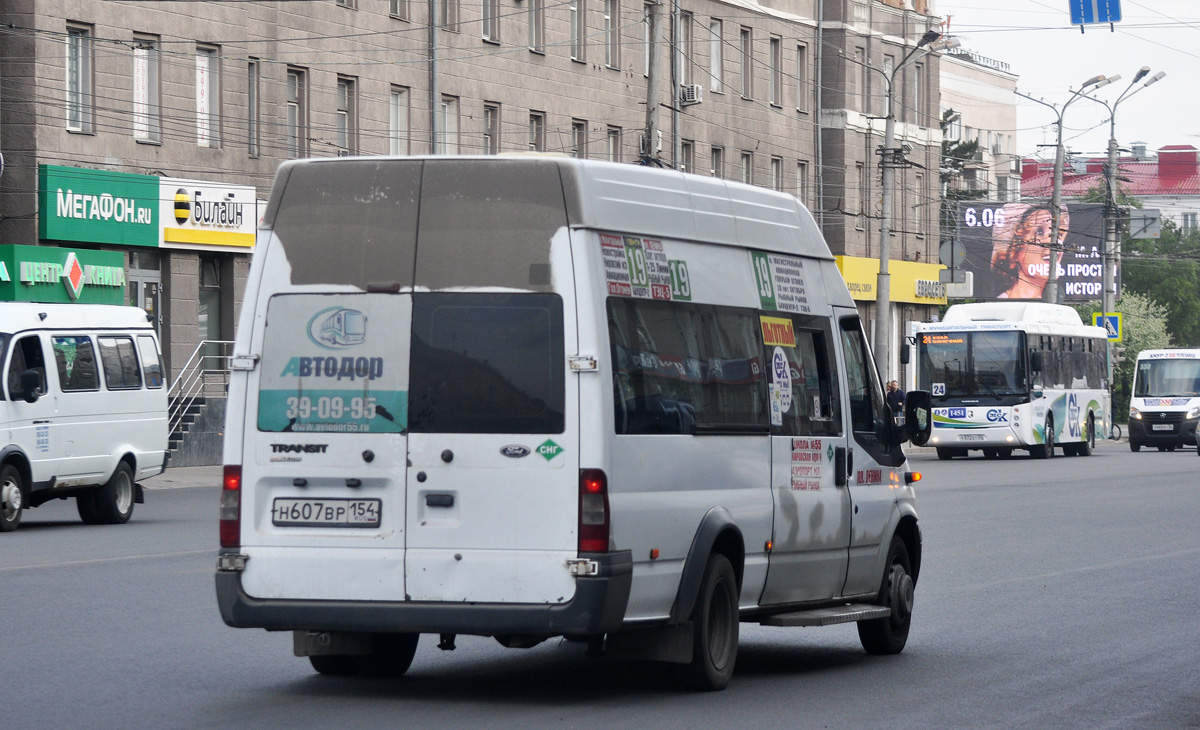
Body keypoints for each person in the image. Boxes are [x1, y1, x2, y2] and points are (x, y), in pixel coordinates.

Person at [990, 203, 1070, 300]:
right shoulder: (1002, 307)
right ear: (1014, 250)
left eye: (1058, 235)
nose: (1053, 242)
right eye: (1039, 232)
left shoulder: (1055, 308)